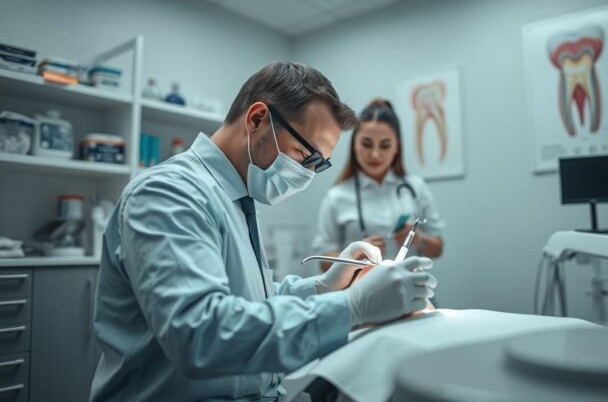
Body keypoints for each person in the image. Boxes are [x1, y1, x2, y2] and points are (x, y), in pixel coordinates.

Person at [90, 62, 437, 401]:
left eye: (319, 165)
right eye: (304, 154)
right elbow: (202, 335)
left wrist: (322, 287)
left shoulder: (236, 198)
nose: (307, 174)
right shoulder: (170, 194)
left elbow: (246, 302)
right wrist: (352, 306)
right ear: (257, 120)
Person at [312, 99, 445, 268]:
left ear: (397, 147)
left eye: (385, 145)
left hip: (410, 284)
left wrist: (419, 239)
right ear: (354, 144)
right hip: (360, 286)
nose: (375, 154)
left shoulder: (416, 187)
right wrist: (353, 254)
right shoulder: (336, 197)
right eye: (366, 144)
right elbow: (323, 260)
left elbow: (438, 249)